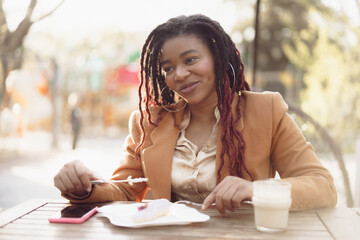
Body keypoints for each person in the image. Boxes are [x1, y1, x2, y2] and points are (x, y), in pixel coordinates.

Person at [54, 14, 337, 215]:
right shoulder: (149, 122)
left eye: (191, 60)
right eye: (167, 68)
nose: (179, 74)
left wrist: (257, 190)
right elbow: (127, 191)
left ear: (217, 58)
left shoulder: (266, 111)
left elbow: (321, 185)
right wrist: (86, 186)